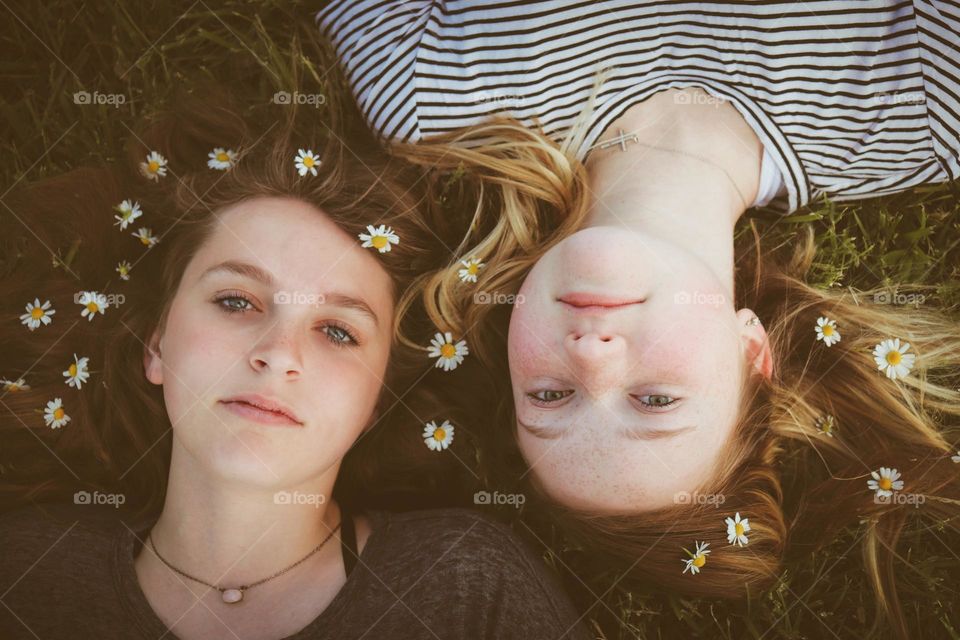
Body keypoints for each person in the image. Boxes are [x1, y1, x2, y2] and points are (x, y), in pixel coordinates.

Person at [317, 2, 960, 637]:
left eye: (550, 395)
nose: (592, 356)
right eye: (655, 400)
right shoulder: (927, 107)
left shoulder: (429, 92)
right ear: (752, 354)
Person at [0, 91, 593, 640]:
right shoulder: (25, 570)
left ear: (377, 401)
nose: (280, 354)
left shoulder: (461, 585)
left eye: (338, 331)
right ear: (156, 345)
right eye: (237, 301)